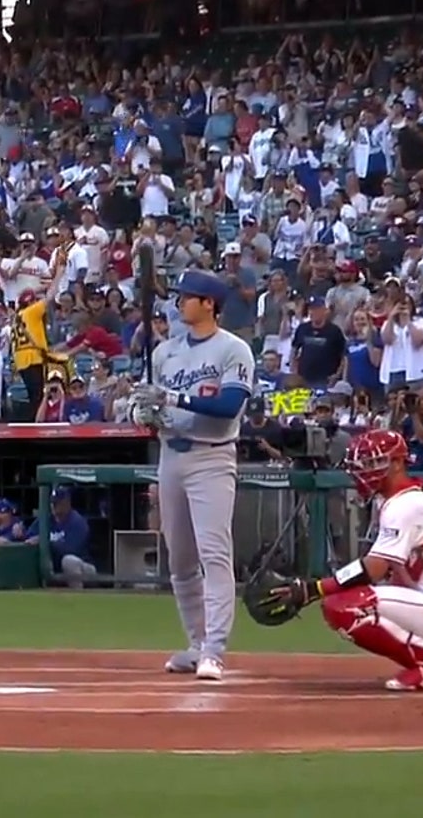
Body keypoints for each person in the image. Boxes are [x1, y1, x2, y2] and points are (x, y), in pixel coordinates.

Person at [257, 429, 423, 691]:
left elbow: (374, 568)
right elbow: (394, 573)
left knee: (343, 606)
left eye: (373, 463)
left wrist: (315, 588)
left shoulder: (405, 505)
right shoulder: (399, 501)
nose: (363, 470)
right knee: (367, 591)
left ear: (396, 463)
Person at [133, 269, 256, 682]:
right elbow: (154, 414)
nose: (180, 302)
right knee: (181, 558)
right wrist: (144, 412)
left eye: (189, 297)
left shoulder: (233, 350)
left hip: (212, 457)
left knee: (214, 555)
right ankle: (196, 643)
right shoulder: (164, 352)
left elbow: (228, 407)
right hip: (171, 455)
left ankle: (215, 651)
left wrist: (172, 396)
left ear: (210, 304)